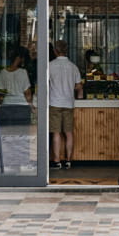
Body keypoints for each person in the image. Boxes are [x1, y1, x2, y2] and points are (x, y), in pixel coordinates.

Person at [48, 40, 83, 170]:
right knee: (68, 133)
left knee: (56, 132)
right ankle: (68, 161)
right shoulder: (73, 67)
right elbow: (79, 86)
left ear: (55, 51)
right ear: (66, 50)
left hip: (54, 102)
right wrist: (79, 96)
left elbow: (45, 85)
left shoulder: (50, 66)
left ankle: (57, 161)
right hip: (68, 103)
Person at [0, 46, 33, 125]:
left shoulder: (2, 72)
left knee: (7, 134)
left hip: (6, 106)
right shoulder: (23, 72)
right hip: (21, 106)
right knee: (23, 134)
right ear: (21, 58)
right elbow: (27, 93)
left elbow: (0, 94)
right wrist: (31, 106)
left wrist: (0, 104)